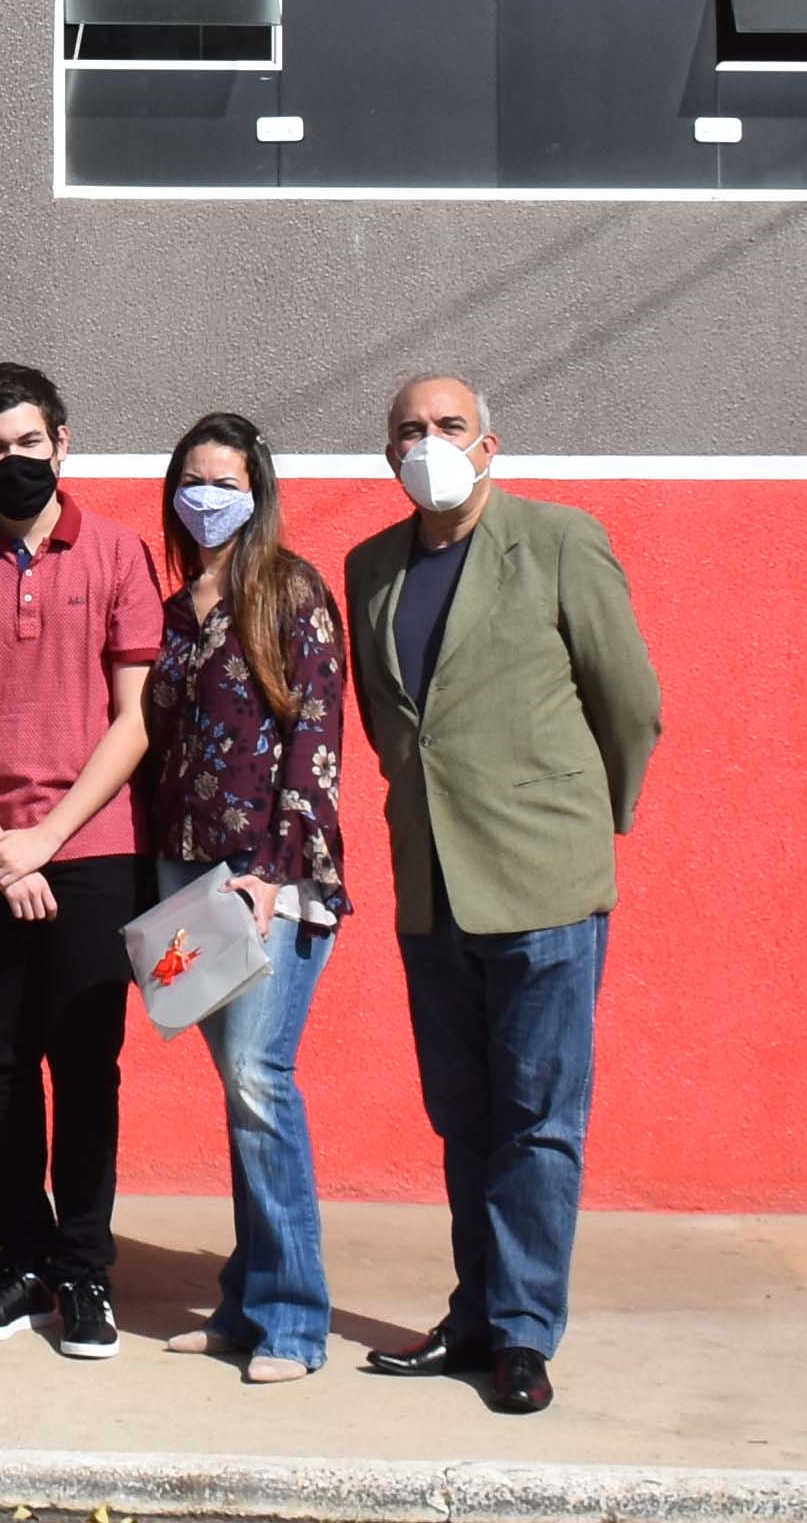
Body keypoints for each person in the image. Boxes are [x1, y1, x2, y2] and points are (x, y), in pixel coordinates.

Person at [345, 374, 663, 1420]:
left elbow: (630, 701)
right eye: (409, 429)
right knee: (464, 1115)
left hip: (542, 881)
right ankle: (476, 1310)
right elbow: (401, 730)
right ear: (387, 451)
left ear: (488, 442)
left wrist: (580, 821)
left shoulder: (562, 540)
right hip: (433, 885)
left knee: (537, 1118)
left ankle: (525, 1331)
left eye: (447, 426)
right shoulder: (372, 565)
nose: (427, 442)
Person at [0, 360, 162, 1361]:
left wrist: (47, 842)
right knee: (1, 1068)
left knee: (85, 1067)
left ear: (63, 441)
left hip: (94, 851)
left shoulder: (115, 551)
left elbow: (137, 715)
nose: (11, 460)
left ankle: (84, 1269)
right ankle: (17, 1256)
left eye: (29, 442)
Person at [139, 413, 349, 1385]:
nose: (207, 494)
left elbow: (314, 738)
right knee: (237, 1092)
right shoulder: (176, 610)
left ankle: (296, 1321)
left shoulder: (291, 592)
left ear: (257, 489)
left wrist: (272, 866)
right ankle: (245, 1301)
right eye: (192, 476)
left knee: (263, 1079)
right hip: (188, 881)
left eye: (225, 478)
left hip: (273, 881)